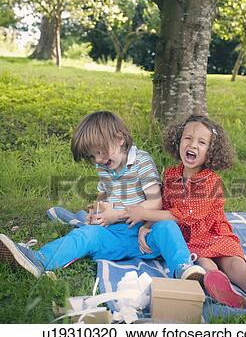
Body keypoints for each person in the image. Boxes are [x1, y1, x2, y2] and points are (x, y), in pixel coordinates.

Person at [0, 111, 205, 282]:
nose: (98, 159)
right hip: (114, 236)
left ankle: (183, 268)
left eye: (100, 152)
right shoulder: (104, 165)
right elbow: (103, 193)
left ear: (119, 138)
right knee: (84, 234)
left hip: (145, 236)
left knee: (167, 227)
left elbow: (155, 202)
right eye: (92, 156)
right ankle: (38, 260)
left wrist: (116, 215)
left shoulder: (141, 161)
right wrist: (96, 212)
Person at [124, 114, 246, 317]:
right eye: (187, 138)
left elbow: (185, 216)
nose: (192, 145)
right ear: (178, 141)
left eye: (201, 142)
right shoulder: (170, 175)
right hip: (194, 240)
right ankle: (223, 289)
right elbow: (165, 206)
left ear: (210, 152)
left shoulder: (210, 181)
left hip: (213, 234)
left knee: (235, 266)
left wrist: (143, 213)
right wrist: (147, 224)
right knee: (206, 265)